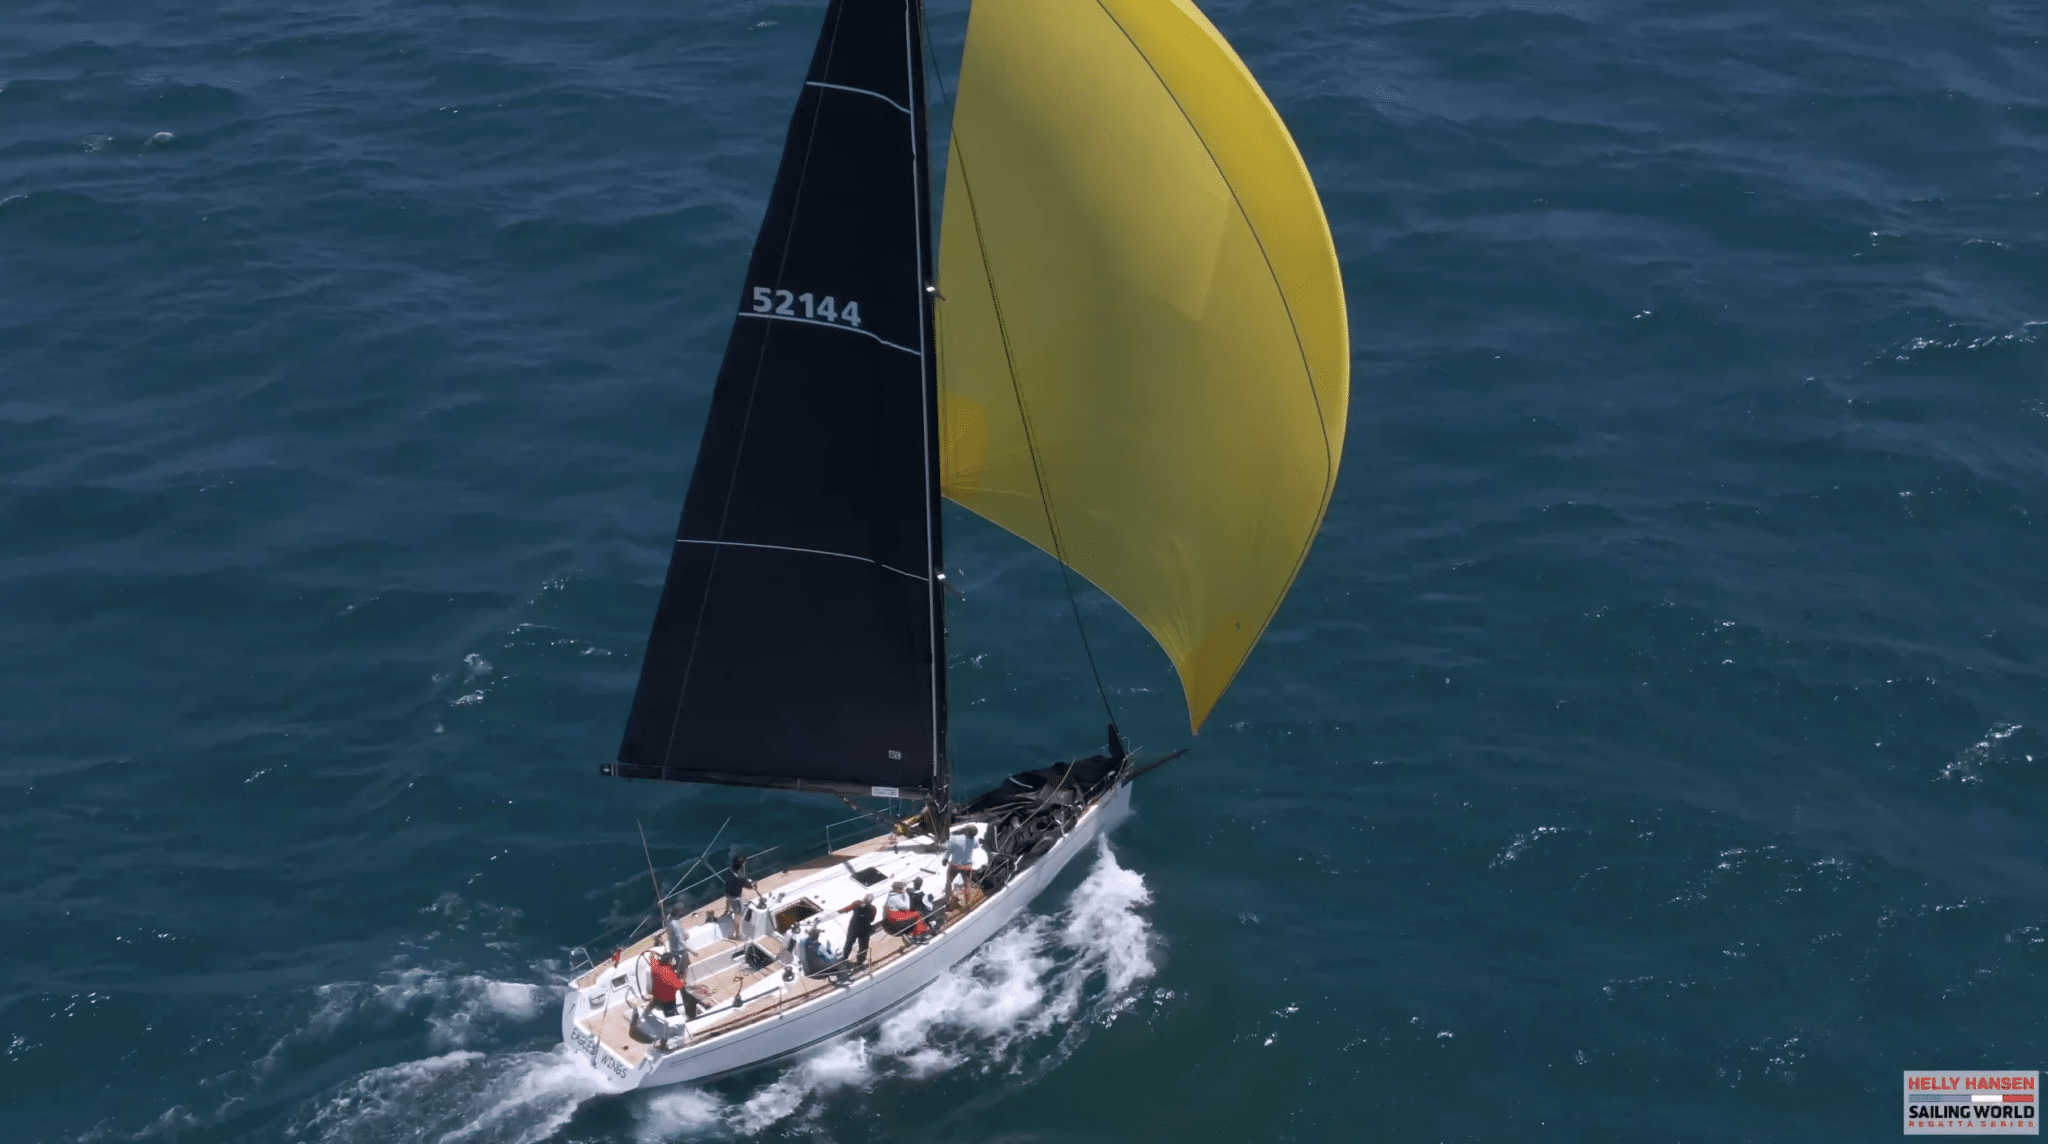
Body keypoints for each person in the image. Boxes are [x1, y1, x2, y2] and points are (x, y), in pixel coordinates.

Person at [723, 854, 759, 937]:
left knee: (728, 900)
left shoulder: (730, 869)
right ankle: (738, 935)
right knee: (738, 915)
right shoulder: (741, 877)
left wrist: (745, 881)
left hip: (728, 892)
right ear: (742, 864)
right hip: (735, 897)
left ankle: (726, 911)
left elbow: (742, 881)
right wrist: (753, 885)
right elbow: (748, 886)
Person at [838, 894, 876, 965]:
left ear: (864, 898)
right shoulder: (873, 908)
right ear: (871, 901)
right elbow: (872, 919)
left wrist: (841, 911)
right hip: (865, 929)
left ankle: (844, 958)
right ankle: (860, 961)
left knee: (849, 942)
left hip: (854, 927)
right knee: (863, 946)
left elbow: (847, 909)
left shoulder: (857, 903)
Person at [942, 825, 979, 897]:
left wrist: (945, 859)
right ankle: (967, 904)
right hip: (967, 866)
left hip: (955, 865)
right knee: (967, 885)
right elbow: (976, 846)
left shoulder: (955, 838)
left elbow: (948, 850)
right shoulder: (975, 840)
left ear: (966, 831)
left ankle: (948, 900)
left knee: (949, 882)